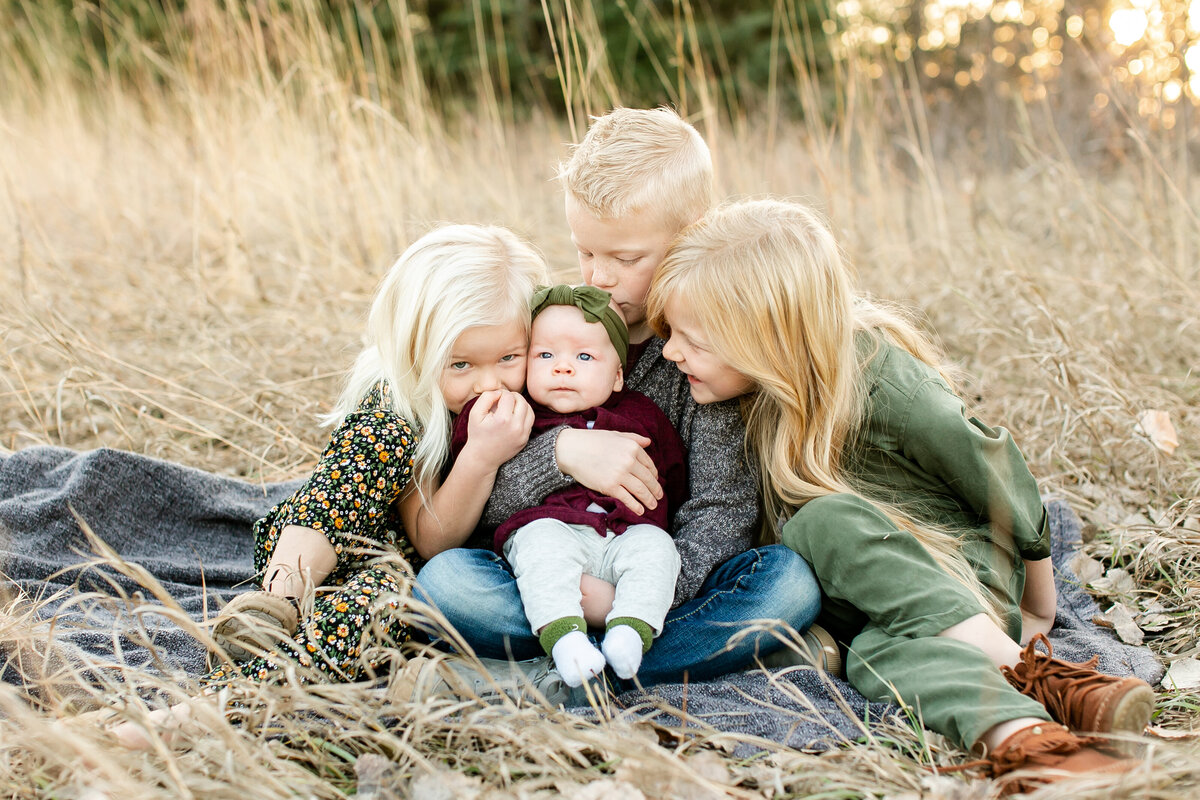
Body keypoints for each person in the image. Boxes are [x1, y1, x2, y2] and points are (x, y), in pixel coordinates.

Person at [644, 197, 1155, 792]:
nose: (672, 352)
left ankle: (1032, 670)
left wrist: (1039, 607)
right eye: (670, 333)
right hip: (870, 614)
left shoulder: (878, 377)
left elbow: (994, 469)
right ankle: (1036, 745)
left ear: (768, 338)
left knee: (821, 521)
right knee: (877, 659)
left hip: (950, 576)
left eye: (693, 339)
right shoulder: (734, 399)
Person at [416, 107, 827, 686]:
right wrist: (557, 453)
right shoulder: (550, 327)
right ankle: (658, 658)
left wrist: (632, 597)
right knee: (448, 585)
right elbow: (485, 503)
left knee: (788, 584)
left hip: (654, 575)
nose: (598, 277)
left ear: (692, 237)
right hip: (544, 566)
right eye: (585, 252)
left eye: (625, 259)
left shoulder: (700, 356)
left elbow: (722, 508)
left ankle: (567, 669)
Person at [99, 223, 548, 747]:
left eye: (508, 359)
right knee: (379, 433)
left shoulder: (541, 394)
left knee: (368, 610)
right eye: (461, 364)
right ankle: (279, 598)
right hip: (340, 539)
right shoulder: (403, 400)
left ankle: (212, 711)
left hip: (410, 577)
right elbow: (395, 510)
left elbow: (431, 546)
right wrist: (478, 454)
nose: (487, 382)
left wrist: (481, 454)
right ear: (416, 356)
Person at [453, 284, 686, 687]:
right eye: (545, 355)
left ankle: (629, 633)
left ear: (617, 376)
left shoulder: (645, 416)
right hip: (551, 543)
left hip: (622, 542)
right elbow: (477, 493)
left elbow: (676, 482)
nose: (563, 368)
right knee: (493, 560)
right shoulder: (511, 413)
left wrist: (656, 531)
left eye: (583, 357)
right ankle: (567, 641)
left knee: (658, 548)